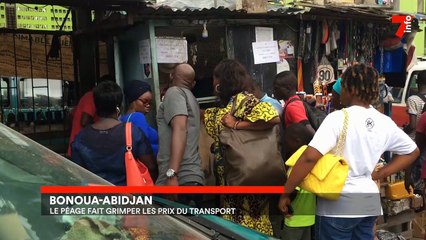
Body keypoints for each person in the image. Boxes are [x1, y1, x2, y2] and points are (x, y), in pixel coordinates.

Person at [278, 63, 419, 240]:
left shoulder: (338, 118)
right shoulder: (384, 121)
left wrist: (286, 193)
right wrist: (381, 173)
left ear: (351, 89)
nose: (339, 92)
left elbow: (309, 158)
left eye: (342, 86)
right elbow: (412, 151)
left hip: (338, 205)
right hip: (368, 202)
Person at [203, 59, 280, 235]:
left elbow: (273, 118)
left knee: (248, 223)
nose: (213, 82)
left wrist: (237, 125)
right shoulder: (227, 106)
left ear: (223, 81)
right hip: (236, 178)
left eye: (215, 78)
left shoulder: (244, 100)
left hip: (244, 176)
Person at [71, 81, 157, 185]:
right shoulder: (132, 132)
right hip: (127, 197)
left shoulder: (82, 136)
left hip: (95, 197)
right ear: (119, 107)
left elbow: (76, 172)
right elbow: (151, 166)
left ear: (96, 106)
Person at [156, 64, 205, 207]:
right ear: (193, 83)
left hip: (179, 180)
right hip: (191, 179)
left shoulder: (174, 93)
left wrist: (172, 174)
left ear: (171, 76)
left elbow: (180, 128)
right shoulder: (192, 98)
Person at [282, 123, 316, 240]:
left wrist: (283, 200)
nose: (285, 146)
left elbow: (293, 192)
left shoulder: (295, 164)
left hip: (294, 219)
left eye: (286, 142)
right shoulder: (313, 161)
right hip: (309, 218)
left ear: (296, 141)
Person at [67, 75, 115, 157]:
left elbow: (72, 114)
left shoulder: (88, 97)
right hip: (83, 147)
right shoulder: (92, 96)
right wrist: (101, 126)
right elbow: (84, 121)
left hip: (81, 146)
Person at [120, 80, 159, 156]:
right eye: (145, 101)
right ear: (133, 100)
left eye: (150, 102)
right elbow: (144, 147)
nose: (148, 105)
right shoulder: (137, 116)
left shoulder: (122, 119)